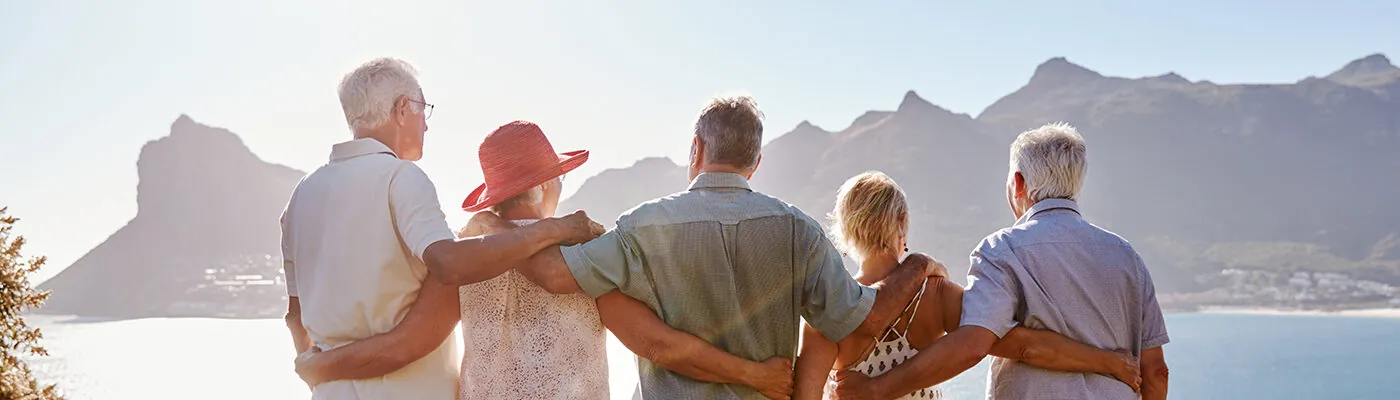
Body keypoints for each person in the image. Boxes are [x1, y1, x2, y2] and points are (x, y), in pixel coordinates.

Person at [459, 94, 949, 399]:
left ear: (696, 148)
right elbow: (863, 317)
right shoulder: (800, 232)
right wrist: (918, 266)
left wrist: (494, 228)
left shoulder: (641, 228)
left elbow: (553, 275)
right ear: (755, 162)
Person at [294, 121, 797, 399]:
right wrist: (752, 374)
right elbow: (654, 343)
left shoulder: (469, 247)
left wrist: (321, 364)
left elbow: (411, 340)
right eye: (557, 177)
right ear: (544, 185)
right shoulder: (585, 249)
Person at [279, 58, 604, 400]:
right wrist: (554, 229)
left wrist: (317, 368)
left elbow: (294, 315)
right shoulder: (399, 177)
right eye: (423, 109)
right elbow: (447, 266)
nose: (426, 126)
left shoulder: (300, 195)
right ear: (403, 109)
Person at [829, 123, 1171, 400]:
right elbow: (1156, 372)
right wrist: (1109, 363)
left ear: (1018, 184)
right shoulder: (1127, 257)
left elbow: (974, 345)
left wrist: (875, 390)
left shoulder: (1002, 250)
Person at [791, 172, 1141, 400]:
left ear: (845, 227)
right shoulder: (936, 294)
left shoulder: (829, 312)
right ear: (902, 224)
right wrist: (1107, 361)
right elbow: (1023, 346)